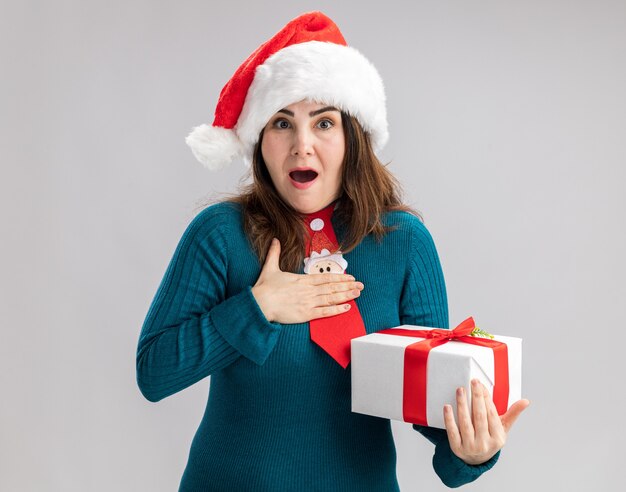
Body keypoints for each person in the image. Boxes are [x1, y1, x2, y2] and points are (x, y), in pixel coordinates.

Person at [136, 11, 528, 491]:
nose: (302, 145)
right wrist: (257, 308)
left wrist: (469, 453)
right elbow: (154, 373)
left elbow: (431, 409)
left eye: (323, 122)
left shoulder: (402, 241)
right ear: (261, 142)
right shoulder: (220, 234)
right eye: (282, 123)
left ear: (352, 138)